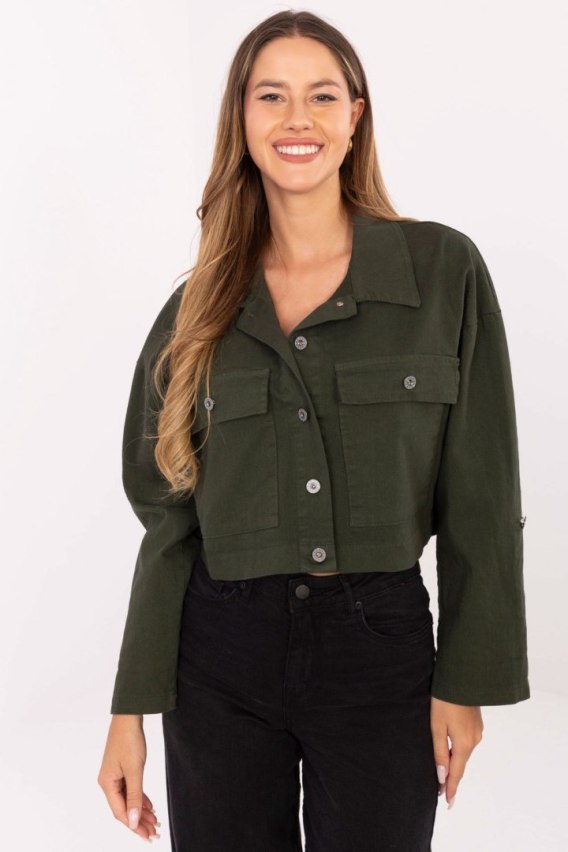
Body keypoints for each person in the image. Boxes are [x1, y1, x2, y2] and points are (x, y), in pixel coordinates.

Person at [97, 10, 530, 851]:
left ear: (355, 116)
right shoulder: (194, 313)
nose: (298, 118)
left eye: (322, 96)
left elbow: (482, 495)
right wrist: (130, 708)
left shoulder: (442, 273)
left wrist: (464, 681)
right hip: (217, 658)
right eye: (272, 96)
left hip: (379, 650)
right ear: (241, 118)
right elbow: (168, 521)